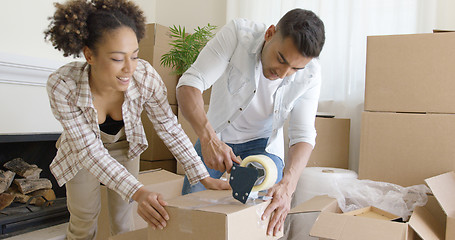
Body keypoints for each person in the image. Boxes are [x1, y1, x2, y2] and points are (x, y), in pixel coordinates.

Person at [44, 0, 228, 239]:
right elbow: (90, 152)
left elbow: (169, 127)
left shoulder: (145, 77)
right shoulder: (63, 85)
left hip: (125, 147)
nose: (129, 68)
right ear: (89, 55)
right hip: (81, 154)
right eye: (118, 59)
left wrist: (203, 176)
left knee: (123, 221)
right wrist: (140, 192)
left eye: (134, 56)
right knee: (83, 220)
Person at [177, 8, 325, 236]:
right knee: (188, 213)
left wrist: (289, 184)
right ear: (270, 34)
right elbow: (189, 84)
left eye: (295, 68)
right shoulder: (238, 34)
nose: (284, 73)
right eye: (281, 59)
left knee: (256, 211)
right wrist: (208, 139)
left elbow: (303, 135)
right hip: (216, 137)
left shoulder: (311, 75)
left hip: (263, 147)